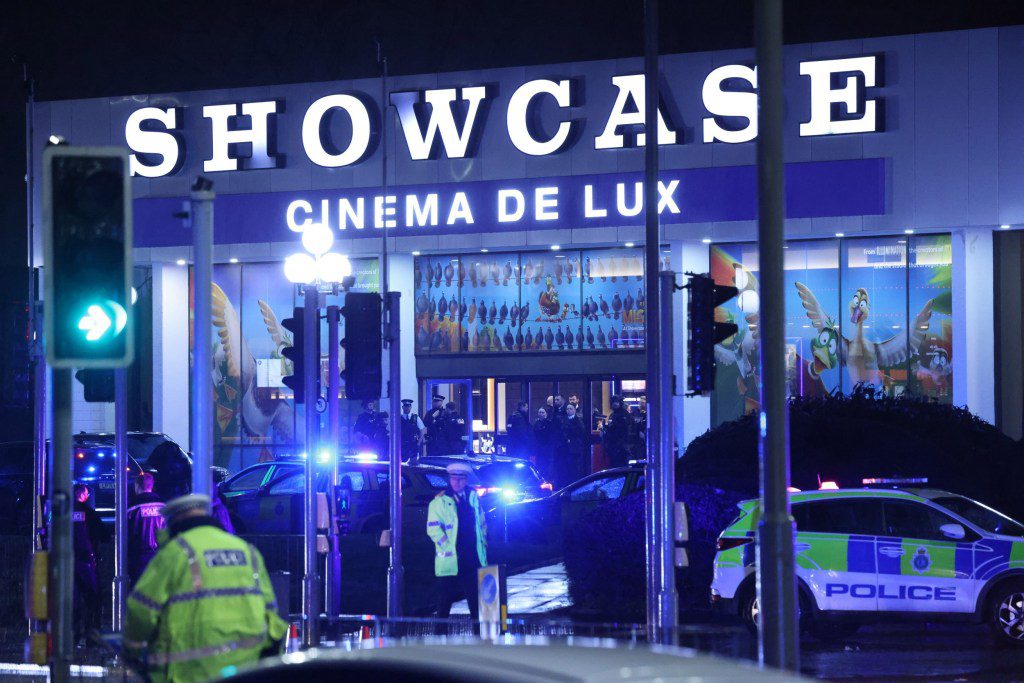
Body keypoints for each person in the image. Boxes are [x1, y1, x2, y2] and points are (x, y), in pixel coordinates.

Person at [125, 494, 287, 683]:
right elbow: (270, 610)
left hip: (189, 672)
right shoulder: (247, 551)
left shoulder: (174, 554)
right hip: (247, 668)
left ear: (174, 521)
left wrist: (132, 650)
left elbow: (141, 609)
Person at [427, 463, 487, 621]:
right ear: (450, 479)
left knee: (476, 603)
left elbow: (482, 524)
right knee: (444, 603)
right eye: (454, 478)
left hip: (472, 558)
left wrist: (483, 544)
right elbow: (433, 529)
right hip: (449, 559)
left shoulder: (473, 497)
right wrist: (447, 545)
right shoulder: (439, 502)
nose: (457, 482)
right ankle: (440, 639)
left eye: (461, 479)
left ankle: (479, 638)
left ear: (466, 480)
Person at [73, 483, 110, 642]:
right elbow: (104, 535)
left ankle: (72, 636)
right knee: (92, 600)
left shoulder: (61, 511)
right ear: (83, 495)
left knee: (71, 601)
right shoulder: (88, 512)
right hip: (86, 562)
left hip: (65, 563)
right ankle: (91, 637)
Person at [127, 473, 165, 586]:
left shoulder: (132, 507)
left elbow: (128, 533)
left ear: (137, 486)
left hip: (139, 557)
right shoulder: (163, 505)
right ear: (151, 486)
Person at [558, 403, 588, 487]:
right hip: (565, 448)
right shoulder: (563, 420)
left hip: (574, 448)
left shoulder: (578, 420)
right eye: (567, 409)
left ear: (574, 410)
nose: (568, 410)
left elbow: (580, 432)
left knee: (574, 467)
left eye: (570, 409)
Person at [602, 395, 632, 467]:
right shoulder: (613, 414)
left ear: (620, 403)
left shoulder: (624, 414)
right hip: (613, 446)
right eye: (613, 402)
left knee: (621, 467)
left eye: (617, 402)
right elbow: (611, 428)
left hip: (622, 446)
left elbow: (623, 430)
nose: (615, 404)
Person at [532, 407, 555, 480]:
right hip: (538, 448)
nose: (541, 414)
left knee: (547, 465)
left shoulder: (549, 423)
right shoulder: (536, 423)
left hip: (547, 448)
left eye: (543, 412)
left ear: (546, 414)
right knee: (539, 464)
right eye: (540, 412)